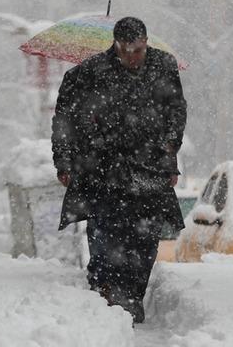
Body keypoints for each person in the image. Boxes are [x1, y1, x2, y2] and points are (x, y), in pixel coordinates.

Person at [51, 16, 187, 323]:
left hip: (149, 169)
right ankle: (107, 296)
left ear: (146, 43)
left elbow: (176, 112)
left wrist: (169, 149)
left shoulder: (163, 66)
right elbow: (64, 120)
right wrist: (65, 160)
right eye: (126, 51)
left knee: (145, 241)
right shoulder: (89, 72)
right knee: (106, 238)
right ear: (116, 45)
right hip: (103, 171)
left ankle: (133, 296)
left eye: (138, 50)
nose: (132, 57)